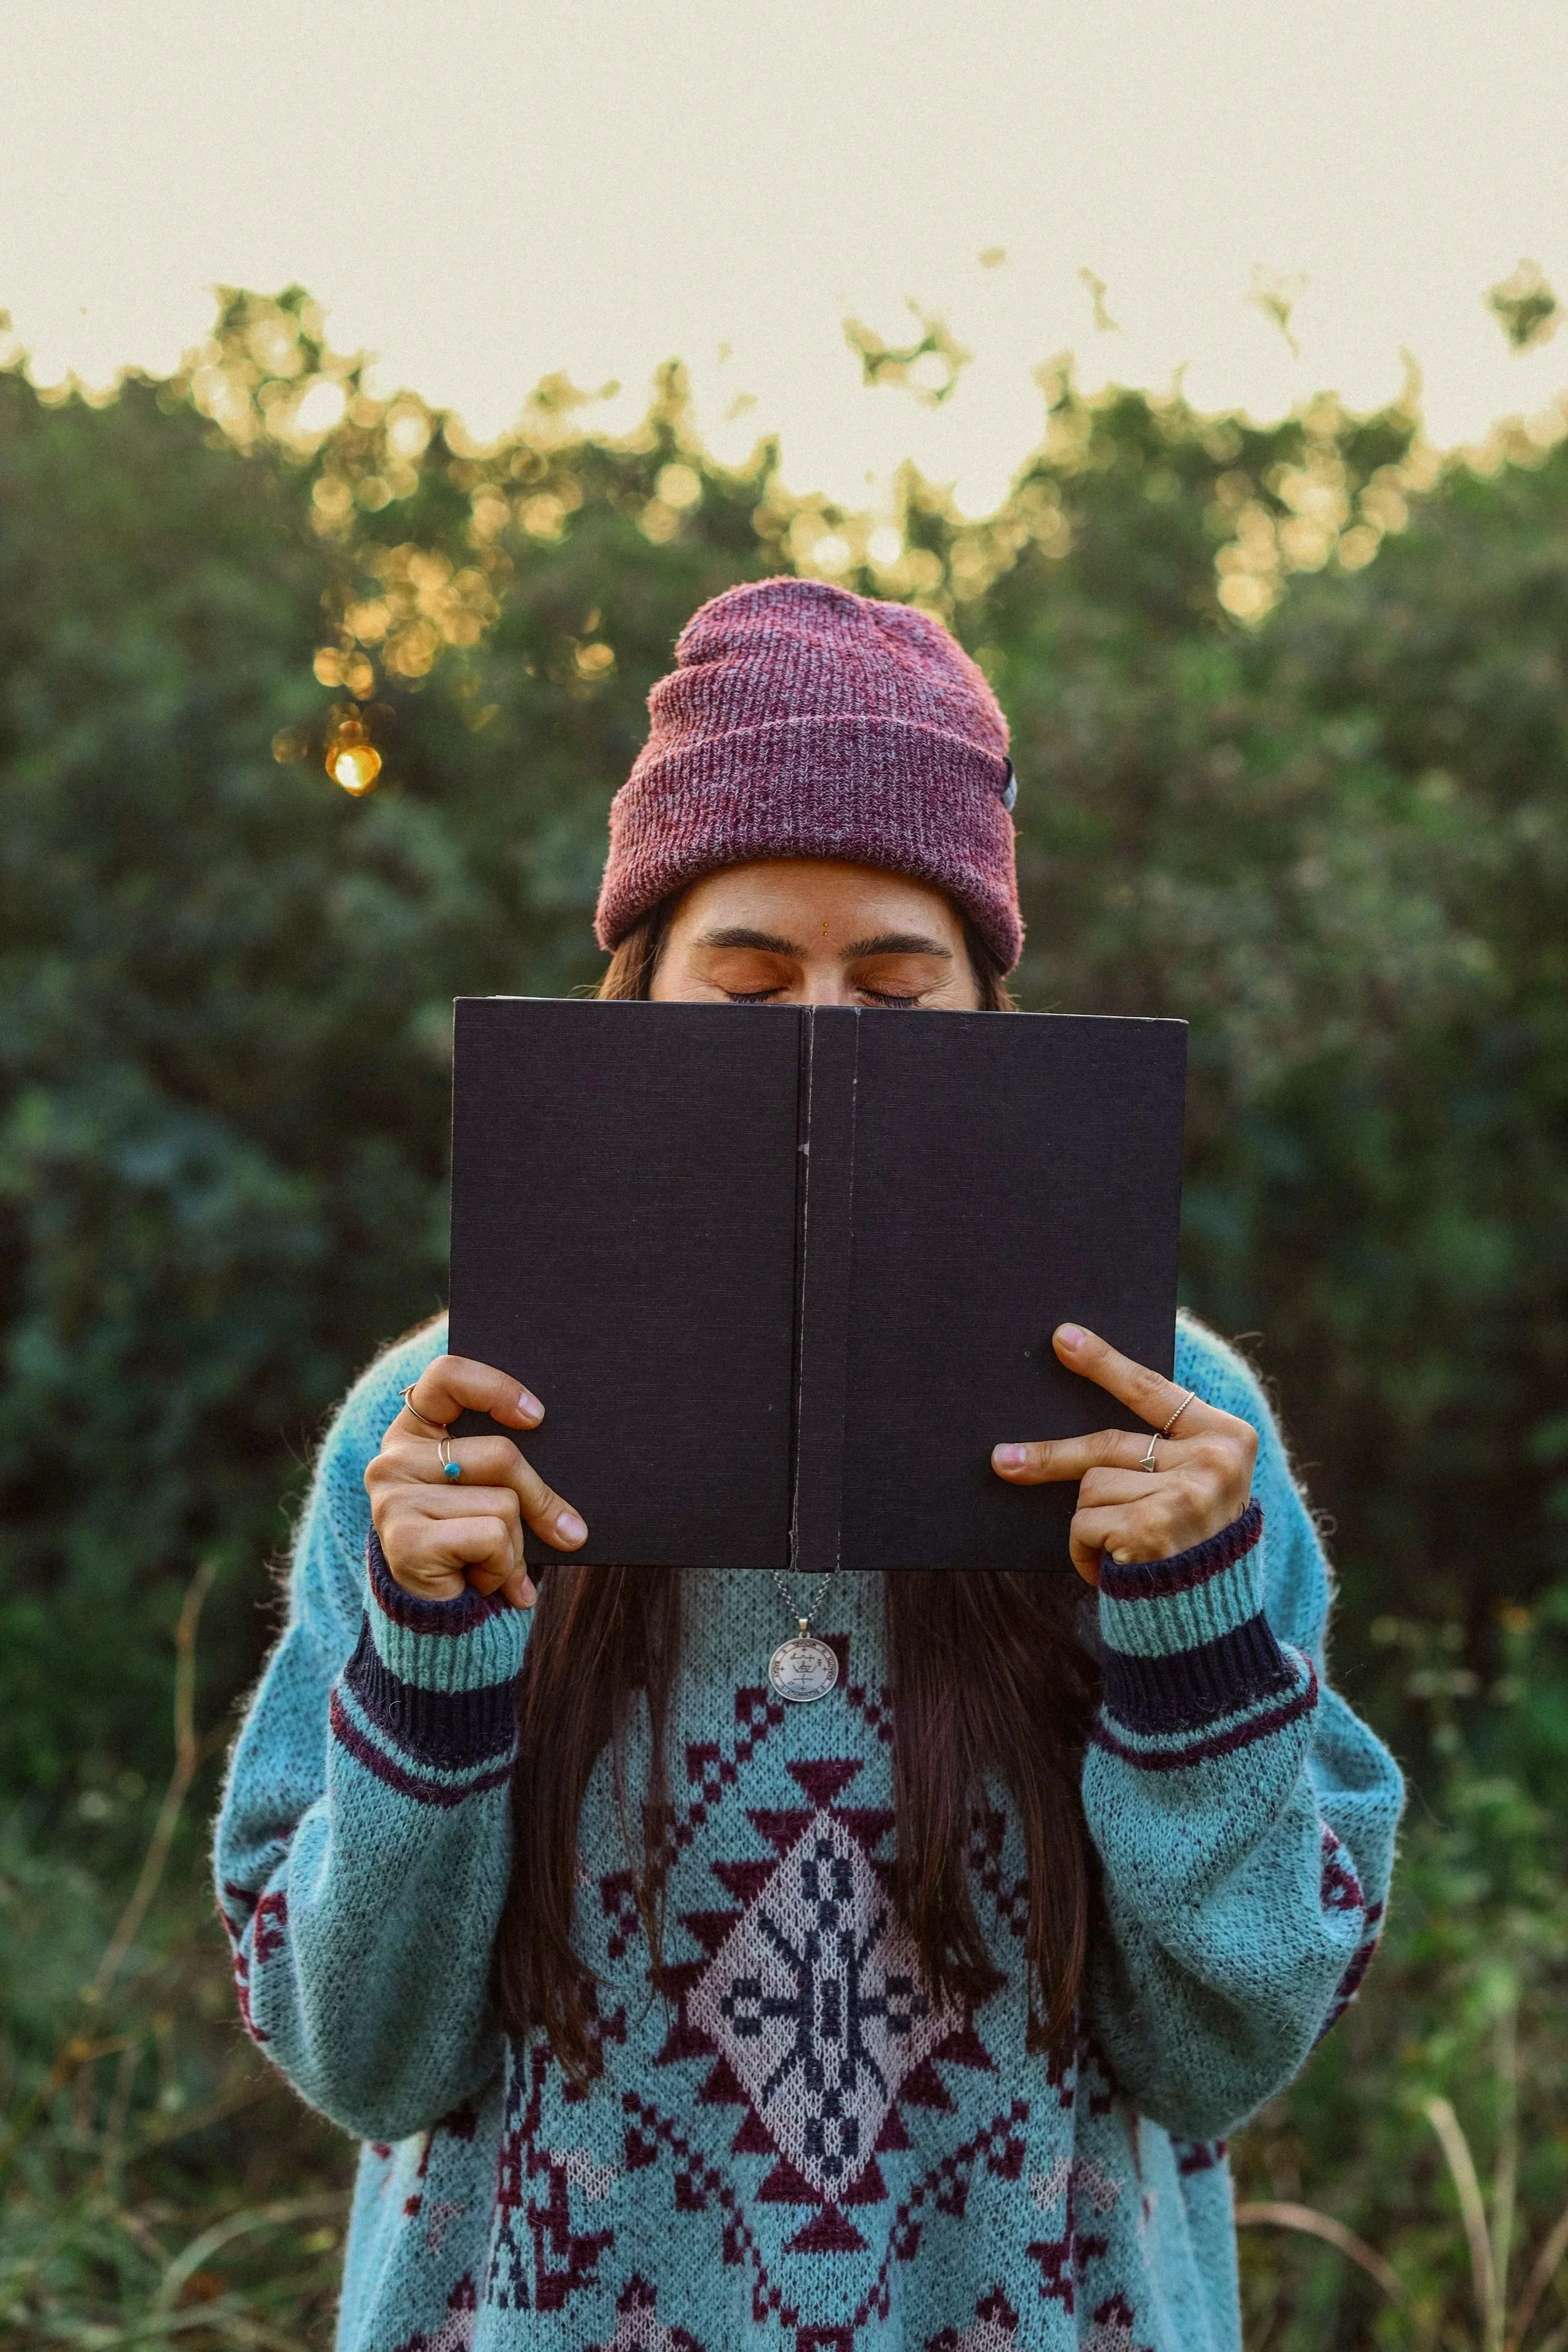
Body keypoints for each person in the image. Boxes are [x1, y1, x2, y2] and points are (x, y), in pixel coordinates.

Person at [215, 578, 1403, 2352]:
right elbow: (366, 2059)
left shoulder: (1174, 1428)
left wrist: (1190, 1625)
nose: (824, 1039)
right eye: (749, 980)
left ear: (991, 1016)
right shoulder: (441, 1434)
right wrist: (430, 1648)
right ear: (641, 995)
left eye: (896, 987)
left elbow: (1220, 2055)